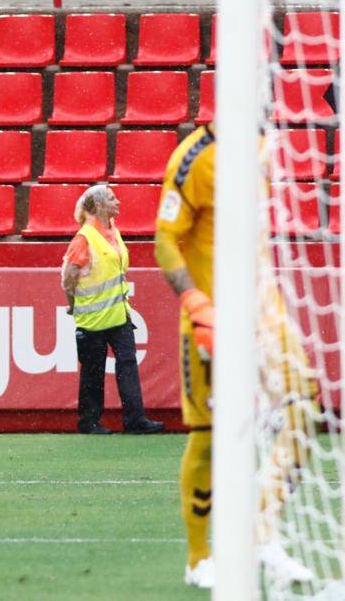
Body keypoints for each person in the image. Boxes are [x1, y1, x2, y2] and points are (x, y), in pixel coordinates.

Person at [155, 122, 314, 588]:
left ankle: (262, 534)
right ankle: (200, 558)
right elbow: (165, 239)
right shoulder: (192, 159)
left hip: (264, 310)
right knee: (208, 436)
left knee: (304, 403)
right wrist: (196, 303)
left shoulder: (263, 142)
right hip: (212, 316)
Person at [61, 185, 164, 436]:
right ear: (97, 206)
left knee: (127, 365)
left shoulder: (113, 232)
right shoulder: (84, 238)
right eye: (111, 198)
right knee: (93, 373)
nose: (117, 201)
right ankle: (89, 422)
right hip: (93, 319)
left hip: (119, 315)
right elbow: (69, 277)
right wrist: (73, 306)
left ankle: (135, 419)